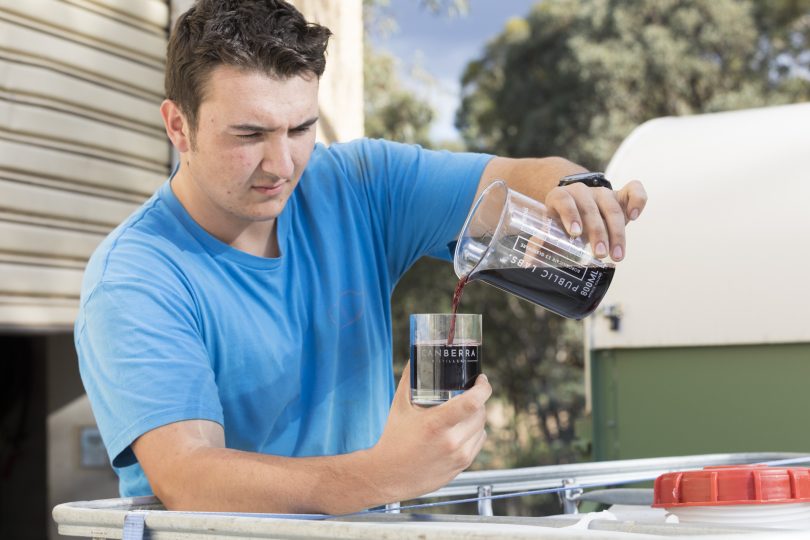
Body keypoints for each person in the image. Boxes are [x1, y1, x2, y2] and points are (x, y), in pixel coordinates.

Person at [75, 0, 646, 515]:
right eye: (249, 135)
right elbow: (192, 478)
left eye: (301, 127)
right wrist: (384, 475)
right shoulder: (136, 276)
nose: (282, 165)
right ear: (179, 125)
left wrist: (571, 186)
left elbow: (511, 178)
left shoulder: (358, 184)